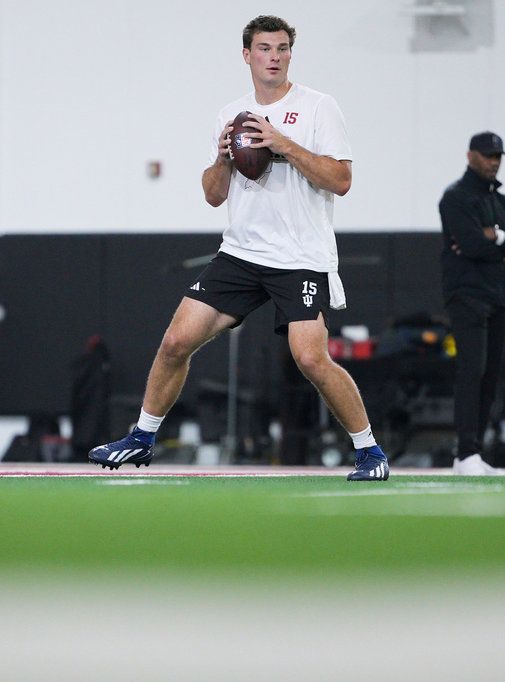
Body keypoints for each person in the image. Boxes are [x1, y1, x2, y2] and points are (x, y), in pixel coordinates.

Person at [89, 15, 389, 481]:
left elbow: (342, 181)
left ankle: (370, 452)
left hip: (300, 257)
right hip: (242, 254)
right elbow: (213, 194)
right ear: (247, 55)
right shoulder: (231, 114)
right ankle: (142, 438)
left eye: (283, 48)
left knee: (310, 358)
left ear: (291, 54)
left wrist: (282, 144)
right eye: (265, 48)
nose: (275, 57)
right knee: (175, 342)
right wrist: (223, 158)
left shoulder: (318, 107)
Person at [439, 132, 505, 475]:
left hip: (498, 297)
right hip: (466, 294)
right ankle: (465, 452)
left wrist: (499, 236)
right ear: (470, 156)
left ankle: (474, 453)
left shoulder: (504, 204)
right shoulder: (455, 198)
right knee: (471, 372)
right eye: (487, 155)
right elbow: (471, 244)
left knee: (490, 376)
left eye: (497, 156)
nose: (493, 161)